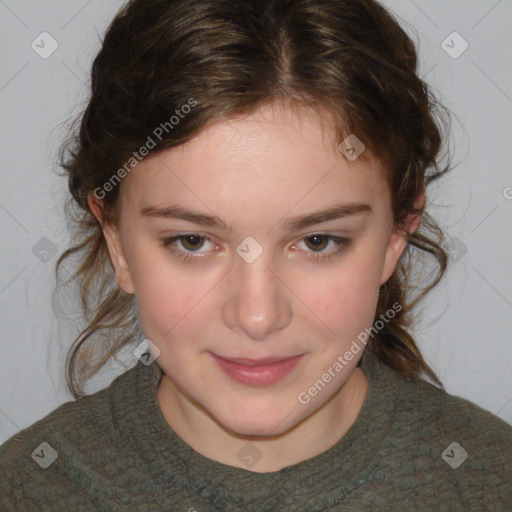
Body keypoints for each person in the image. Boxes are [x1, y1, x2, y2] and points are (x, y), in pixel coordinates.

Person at [1, 0, 511, 510]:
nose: (257, 316)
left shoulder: (490, 481)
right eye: (193, 242)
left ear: (397, 235)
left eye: (318, 241)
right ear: (117, 241)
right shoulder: (27, 491)